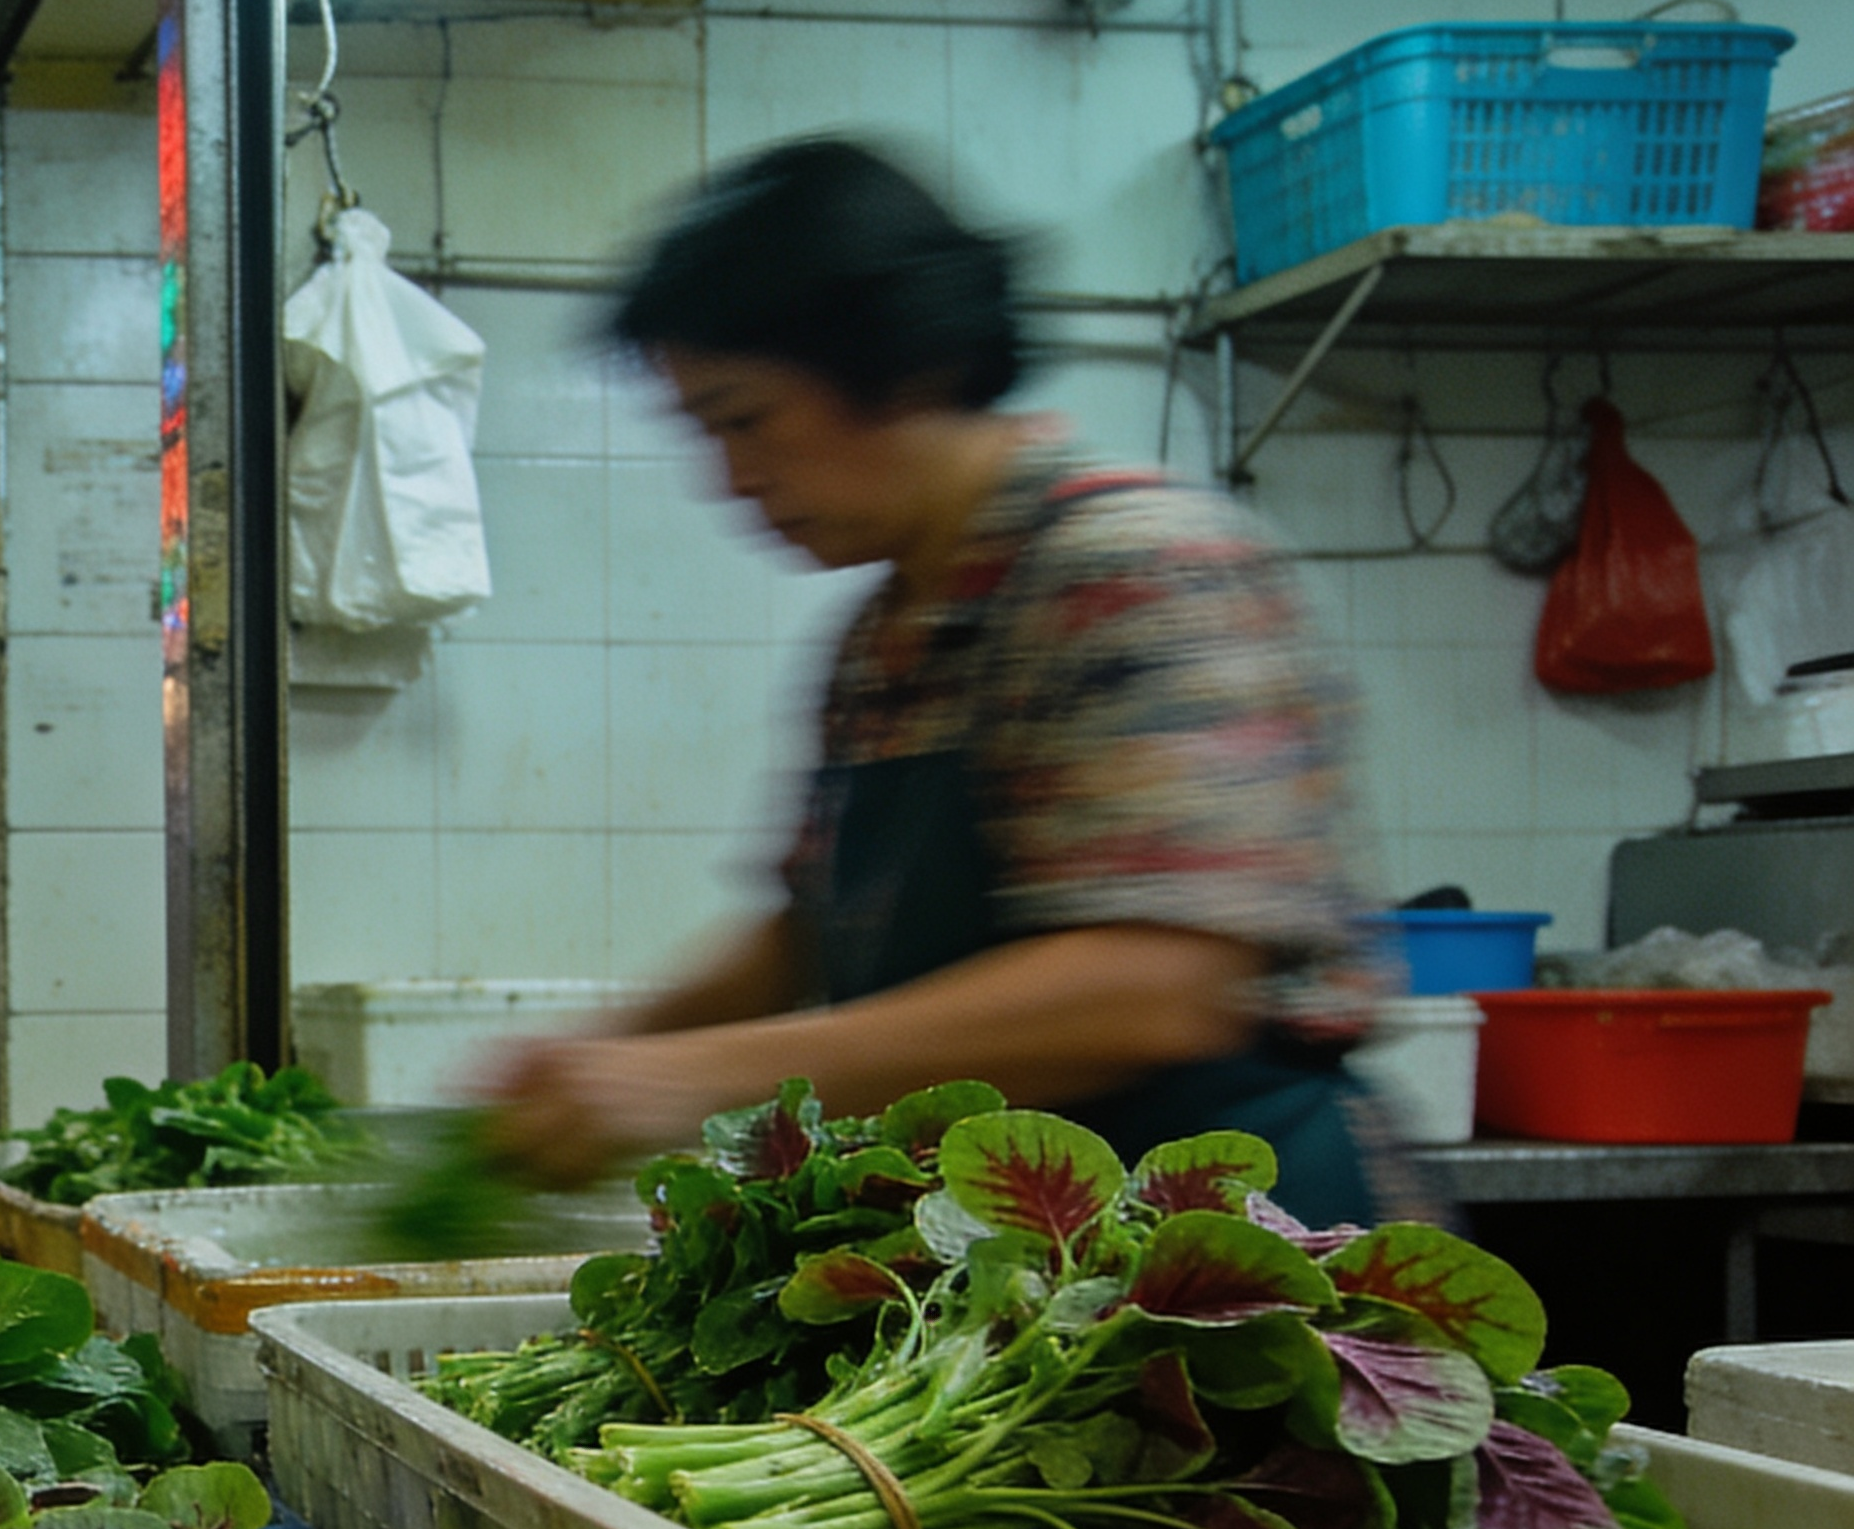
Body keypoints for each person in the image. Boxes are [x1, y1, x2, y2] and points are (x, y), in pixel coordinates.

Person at [489, 138, 1395, 1228]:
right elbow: (805, 937)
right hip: (1024, 1258)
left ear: (899, 363)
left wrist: (689, 1078)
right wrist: (605, 1052)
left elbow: (1155, 987)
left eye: (744, 419)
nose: (728, 478)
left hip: (1240, 1247)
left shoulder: (1136, 568)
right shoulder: (882, 636)